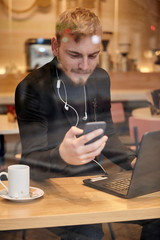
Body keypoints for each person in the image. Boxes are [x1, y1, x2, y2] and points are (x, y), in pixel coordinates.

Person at [15, 7, 160, 240]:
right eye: (75, 55)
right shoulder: (31, 87)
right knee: (88, 232)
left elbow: (108, 134)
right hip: (52, 185)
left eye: (93, 56)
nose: (85, 66)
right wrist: (63, 154)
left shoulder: (101, 78)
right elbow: (32, 162)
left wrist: (133, 160)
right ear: (55, 46)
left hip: (94, 181)